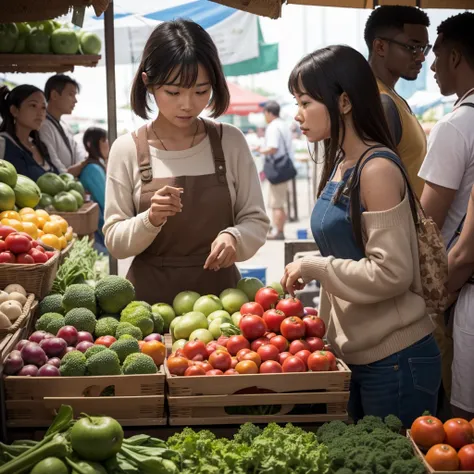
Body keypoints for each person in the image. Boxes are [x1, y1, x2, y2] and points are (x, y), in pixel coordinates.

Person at [280, 45, 440, 427]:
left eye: (305, 102)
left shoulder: (377, 169)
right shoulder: (340, 163)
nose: (297, 115)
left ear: (345, 101)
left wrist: (314, 265)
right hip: (357, 356)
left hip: (397, 359)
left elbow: (392, 273)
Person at [103, 19, 270, 304]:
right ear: (148, 82)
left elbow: (255, 220)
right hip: (148, 312)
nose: (188, 104)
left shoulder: (230, 142)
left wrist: (234, 237)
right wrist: (150, 219)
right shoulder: (127, 149)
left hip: (223, 310)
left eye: (201, 91)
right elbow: (115, 241)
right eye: (173, 92)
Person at [418, 12, 474, 417]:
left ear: (455, 57)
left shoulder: (455, 126)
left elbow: (428, 227)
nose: (432, 66)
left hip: (458, 289)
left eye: (436, 55)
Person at [364, 5, 431, 197]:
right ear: (380, 47)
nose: (421, 57)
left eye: (424, 48)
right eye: (413, 47)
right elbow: (375, 186)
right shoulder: (380, 102)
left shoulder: (391, 97)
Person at [0, 84, 59, 181]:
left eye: (43, 108)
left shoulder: (41, 147)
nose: (40, 113)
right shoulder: (3, 144)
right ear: (14, 110)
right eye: (33, 105)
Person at [258, 101, 294, 240]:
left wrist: (259, 150)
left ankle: (278, 232)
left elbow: (273, 148)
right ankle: (279, 230)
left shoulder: (273, 126)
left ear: (268, 112)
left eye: (264, 113)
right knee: (279, 201)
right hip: (284, 167)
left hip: (277, 168)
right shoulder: (283, 124)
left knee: (276, 202)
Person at [39, 74, 87, 176]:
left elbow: (79, 152)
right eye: (71, 94)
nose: (75, 100)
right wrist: (83, 164)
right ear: (54, 95)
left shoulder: (65, 125)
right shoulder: (43, 127)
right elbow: (57, 169)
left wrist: (84, 163)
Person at [81, 127, 108, 254]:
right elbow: (106, 200)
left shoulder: (96, 166)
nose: (108, 143)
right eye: (104, 140)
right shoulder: (93, 169)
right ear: (92, 144)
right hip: (98, 229)